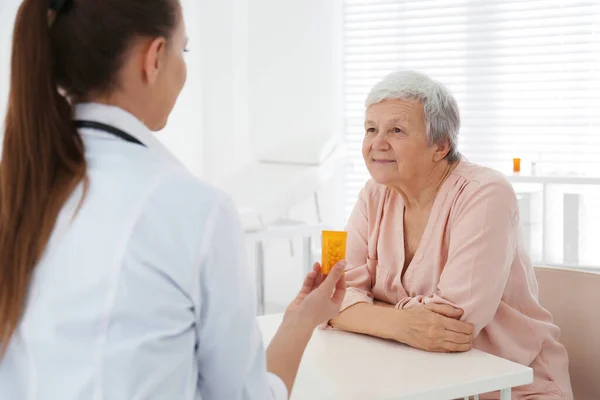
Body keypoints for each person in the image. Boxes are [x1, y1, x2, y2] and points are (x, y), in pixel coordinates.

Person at [0, 1, 346, 399]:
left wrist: (299, 319)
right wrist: (303, 324)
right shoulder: (193, 210)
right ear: (155, 58)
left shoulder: (18, 184)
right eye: (184, 50)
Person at [329, 70, 573, 400]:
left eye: (396, 130)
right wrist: (405, 324)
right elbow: (334, 294)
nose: (377, 143)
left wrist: (363, 315)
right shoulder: (374, 195)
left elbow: (454, 323)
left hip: (509, 384)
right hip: (413, 376)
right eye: (371, 129)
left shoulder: (485, 193)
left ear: (440, 145)